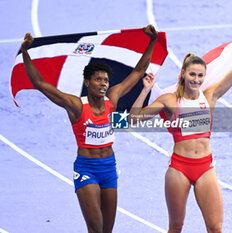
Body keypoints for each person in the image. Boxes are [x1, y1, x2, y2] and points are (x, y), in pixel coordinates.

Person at [129, 24, 232, 233]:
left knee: (215, 228)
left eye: (200, 76)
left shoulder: (210, 95)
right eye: (192, 75)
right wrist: (145, 90)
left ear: (204, 77)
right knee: (176, 226)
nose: (196, 80)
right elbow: (133, 119)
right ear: (183, 74)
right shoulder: (169, 100)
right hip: (179, 168)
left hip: (205, 168)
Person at [20, 25, 158, 233]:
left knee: (107, 230)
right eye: (98, 80)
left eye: (106, 80)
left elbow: (138, 72)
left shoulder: (112, 98)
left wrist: (152, 42)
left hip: (109, 168)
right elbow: (40, 83)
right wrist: (25, 52)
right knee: (96, 227)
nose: (103, 83)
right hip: (87, 170)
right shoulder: (76, 105)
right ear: (87, 82)